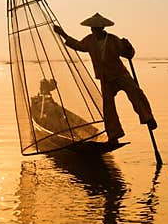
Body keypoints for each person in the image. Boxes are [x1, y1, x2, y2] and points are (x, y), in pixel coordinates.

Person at [53, 12, 156, 144]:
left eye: (95, 28)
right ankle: (114, 135)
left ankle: (148, 118)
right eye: (92, 28)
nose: (93, 30)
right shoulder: (90, 40)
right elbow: (79, 46)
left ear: (101, 29)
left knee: (136, 93)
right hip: (105, 78)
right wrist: (63, 34)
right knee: (108, 107)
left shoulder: (113, 40)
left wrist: (128, 47)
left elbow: (128, 54)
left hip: (120, 75)